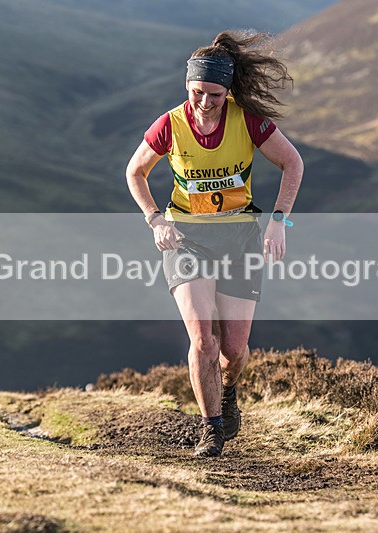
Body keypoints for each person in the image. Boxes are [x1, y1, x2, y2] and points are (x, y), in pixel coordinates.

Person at [125, 30, 303, 457]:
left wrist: (279, 222)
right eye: (196, 92)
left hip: (239, 237)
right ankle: (211, 429)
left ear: (228, 91)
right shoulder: (170, 124)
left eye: (215, 95)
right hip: (187, 240)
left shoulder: (249, 121)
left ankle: (228, 393)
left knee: (233, 350)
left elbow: (292, 162)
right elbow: (135, 173)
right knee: (203, 340)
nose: (204, 102)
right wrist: (154, 220)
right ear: (187, 86)